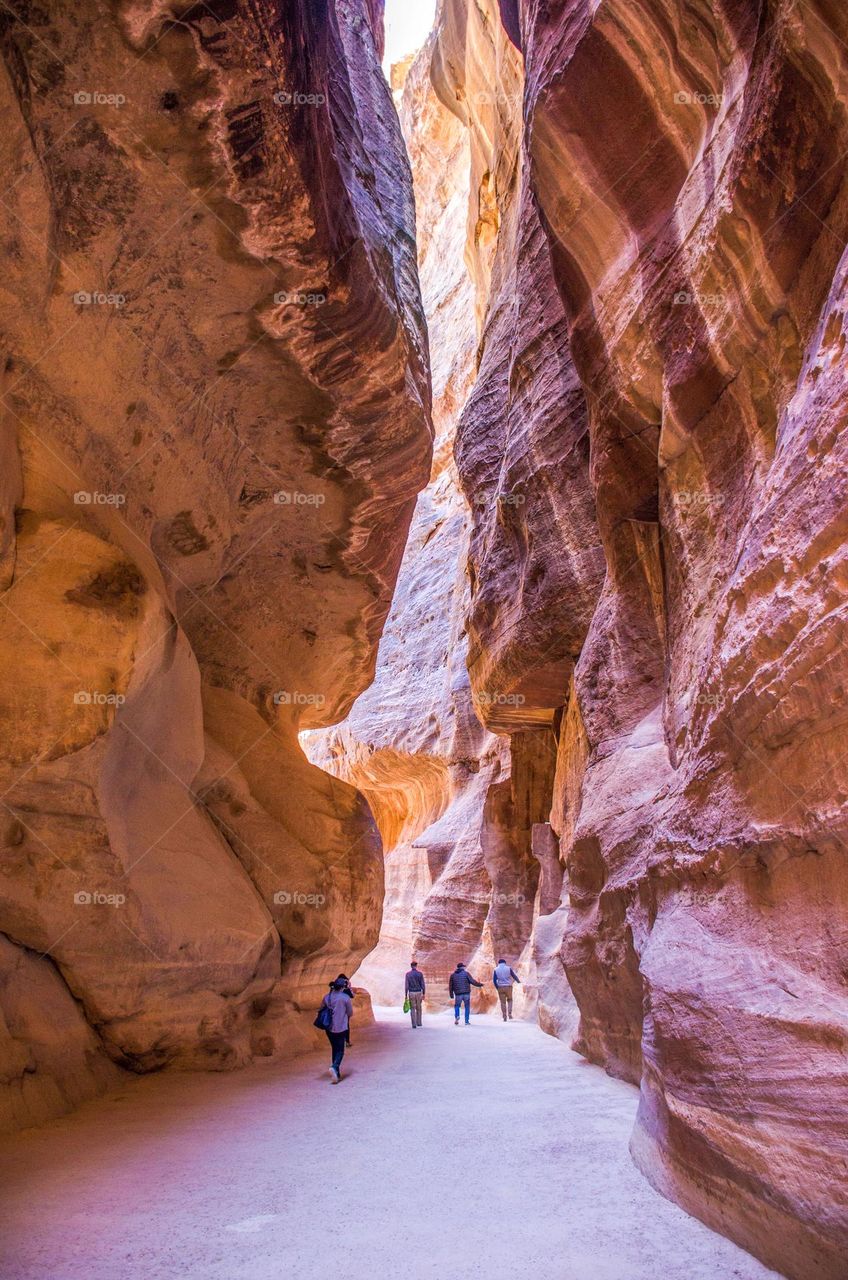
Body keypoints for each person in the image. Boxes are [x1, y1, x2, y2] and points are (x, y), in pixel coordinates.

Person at [320, 977, 353, 1082]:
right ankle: (334, 1067)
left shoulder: (327, 997)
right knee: (340, 1050)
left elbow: (321, 1009)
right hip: (341, 1027)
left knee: (334, 1048)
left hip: (329, 1028)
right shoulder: (345, 998)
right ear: (343, 987)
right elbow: (350, 1013)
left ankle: (336, 1074)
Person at [404, 960, 426, 1028]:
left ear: (411, 966)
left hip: (411, 993)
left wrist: (406, 994)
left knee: (412, 1008)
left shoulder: (408, 974)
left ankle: (413, 1024)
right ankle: (419, 1022)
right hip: (419, 992)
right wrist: (424, 993)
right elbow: (423, 984)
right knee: (419, 1008)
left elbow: (406, 985)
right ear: (416, 966)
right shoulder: (420, 974)